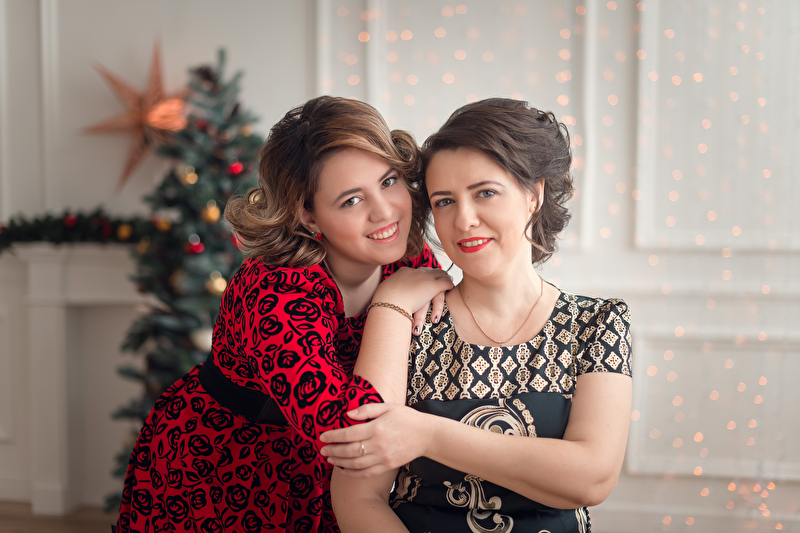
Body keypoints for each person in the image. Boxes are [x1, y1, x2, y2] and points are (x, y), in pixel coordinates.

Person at [113, 95, 453, 533]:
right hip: (225, 466)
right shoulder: (276, 291)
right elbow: (355, 431)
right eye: (351, 200)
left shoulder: (405, 254)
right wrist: (392, 304)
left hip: (327, 469)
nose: (385, 211)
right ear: (308, 215)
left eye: (388, 181)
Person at [321, 98, 633, 532]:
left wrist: (428, 434)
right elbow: (357, 496)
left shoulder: (596, 323)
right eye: (445, 201)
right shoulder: (405, 320)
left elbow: (592, 478)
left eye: (485, 192)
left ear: (534, 194)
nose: (464, 220)